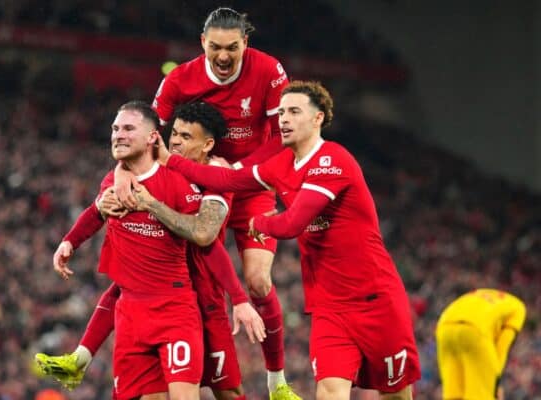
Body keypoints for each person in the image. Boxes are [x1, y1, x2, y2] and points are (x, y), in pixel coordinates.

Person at [155, 81, 421, 400]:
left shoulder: (332, 160)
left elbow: (293, 222)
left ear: (318, 118)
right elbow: (231, 179)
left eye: (294, 111)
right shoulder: (281, 164)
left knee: (395, 394)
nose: (283, 119)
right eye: (281, 112)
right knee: (328, 390)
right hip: (329, 307)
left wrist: (261, 222)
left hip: (375, 300)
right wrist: (171, 160)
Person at [114, 9, 298, 399]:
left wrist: (238, 169)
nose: (225, 56)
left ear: (245, 43)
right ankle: (191, 356)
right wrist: (121, 168)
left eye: (233, 47)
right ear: (203, 43)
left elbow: (283, 133)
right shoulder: (180, 78)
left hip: (250, 183)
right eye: (216, 47)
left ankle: (277, 380)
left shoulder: (268, 70)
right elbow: (147, 127)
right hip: (198, 181)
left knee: (259, 280)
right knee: (180, 265)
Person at [36, 102, 265, 400]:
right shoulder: (131, 174)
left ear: (207, 144)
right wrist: (72, 237)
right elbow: (116, 188)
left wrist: (240, 299)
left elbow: (204, 237)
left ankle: (81, 357)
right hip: (148, 297)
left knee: (228, 391)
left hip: (201, 298)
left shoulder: (216, 176)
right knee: (123, 288)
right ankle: (80, 357)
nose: (177, 143)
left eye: (187, 137)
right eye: (175, 135)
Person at [436, 288, 526, 400]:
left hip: (444, 329)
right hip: (475, 330)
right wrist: (495, 379)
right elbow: (505, 342)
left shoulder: (484, 293)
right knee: (481, 395)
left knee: (454, 394)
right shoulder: (519, 307)